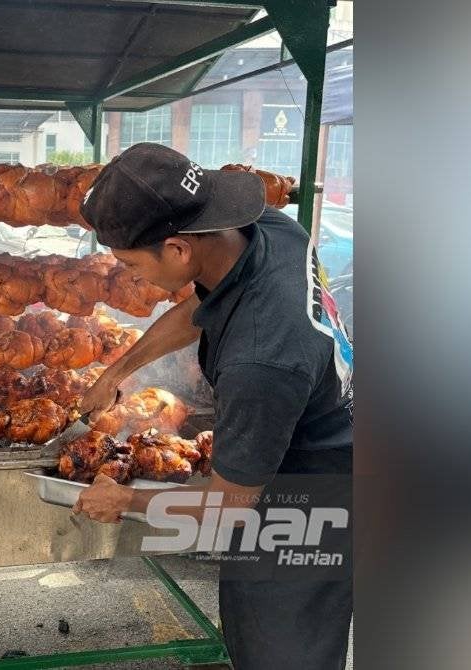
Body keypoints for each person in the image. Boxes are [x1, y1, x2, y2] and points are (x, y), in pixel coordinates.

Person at [72, 143, 353, 669]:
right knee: (249, 625)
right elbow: (207, 304)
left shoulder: (261, 358)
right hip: (298, 441)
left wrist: (126, 501)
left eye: (131, 264)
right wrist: (116, 372)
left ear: (178, 250)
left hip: (315, 491)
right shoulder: (266, 230)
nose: (131, 277)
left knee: (284, 649)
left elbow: (227, 508)